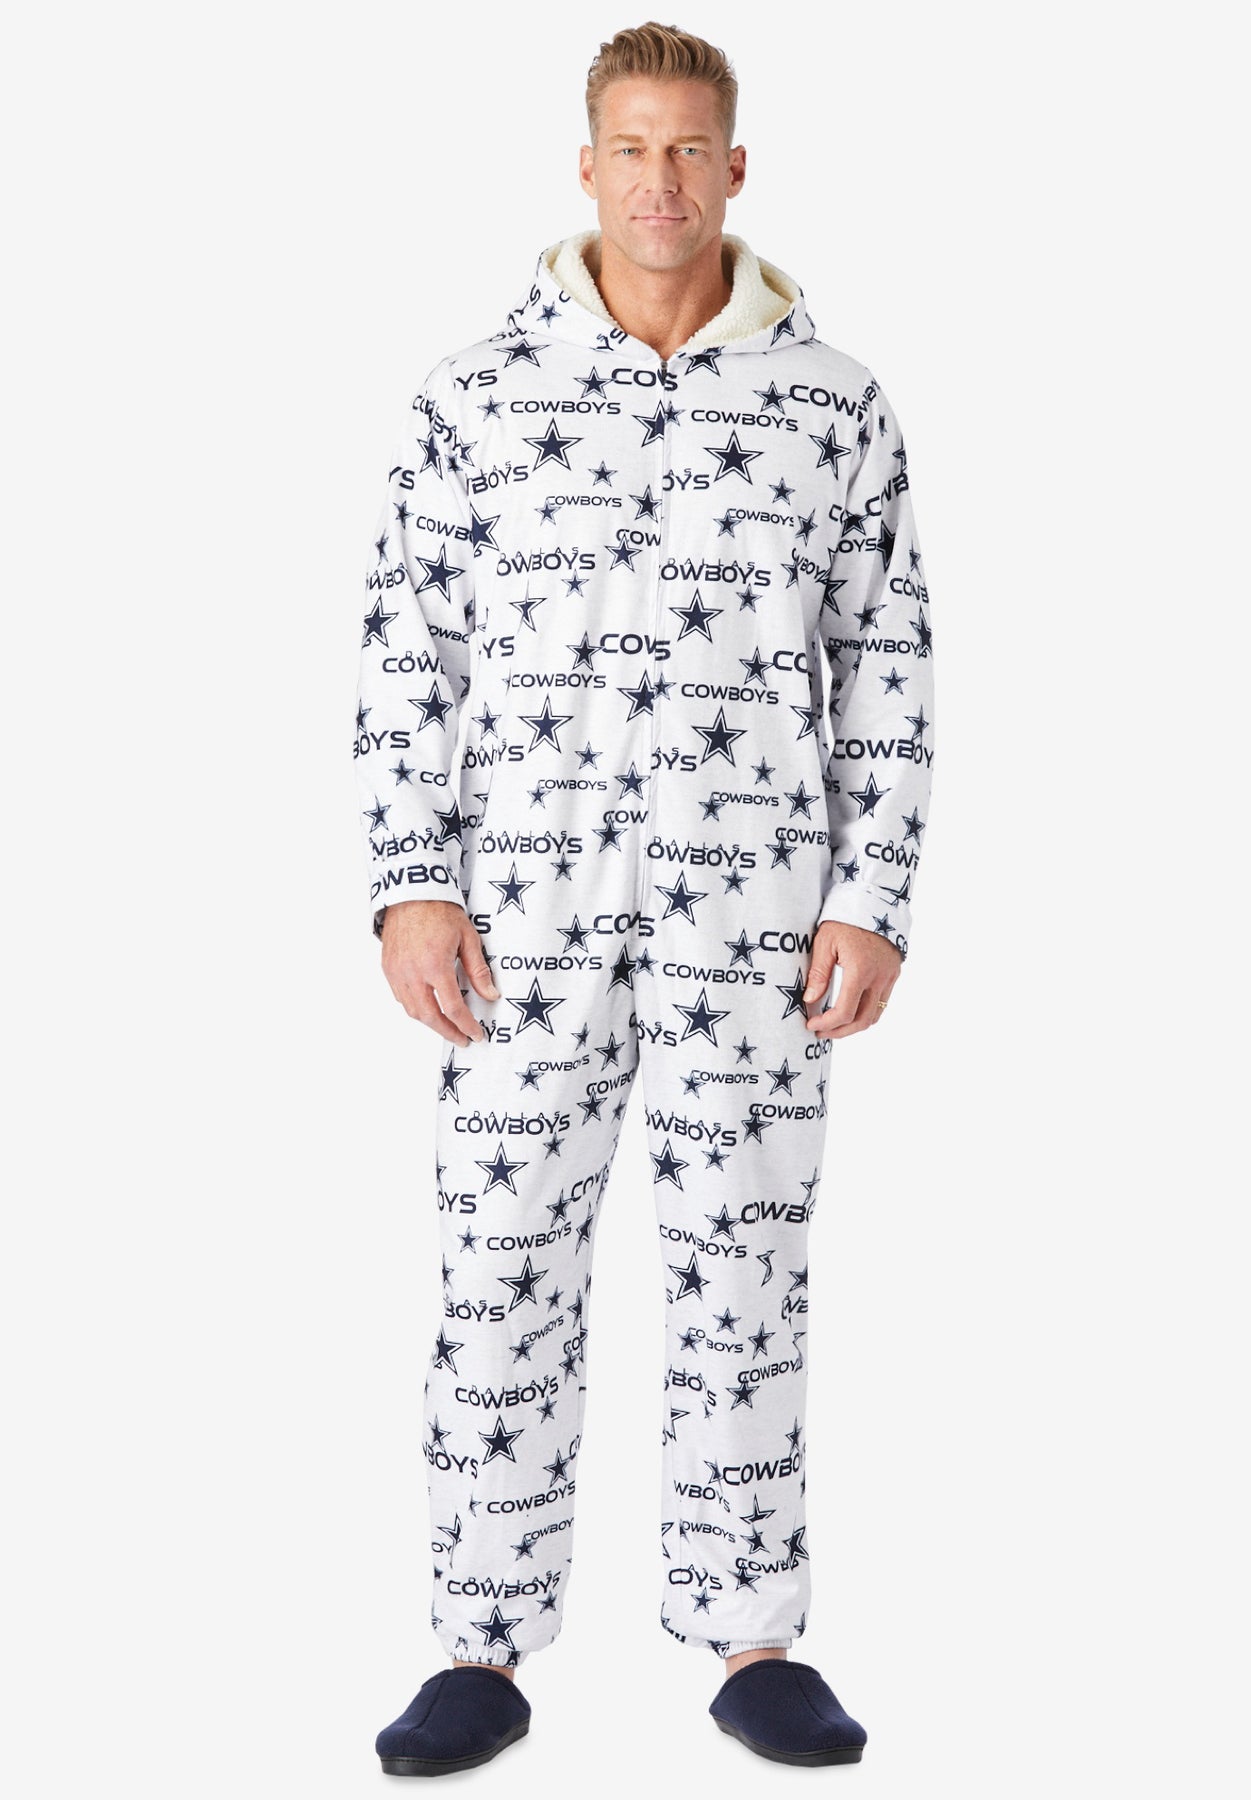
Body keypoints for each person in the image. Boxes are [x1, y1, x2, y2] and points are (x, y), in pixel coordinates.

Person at [353, 18, 934, 1775]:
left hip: (753, 927)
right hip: (520, 927)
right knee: (498, 1268)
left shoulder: (832, 405)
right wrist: (409, 886)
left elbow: (888, 659)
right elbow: (407, 655)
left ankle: (752, 1636)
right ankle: (478, 1643)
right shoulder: (471, 399)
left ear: (734, 168)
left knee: (743, 1273)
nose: (661, 180)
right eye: (632, 147)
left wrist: (872, 894)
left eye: (691, 149)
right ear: (586, 165)